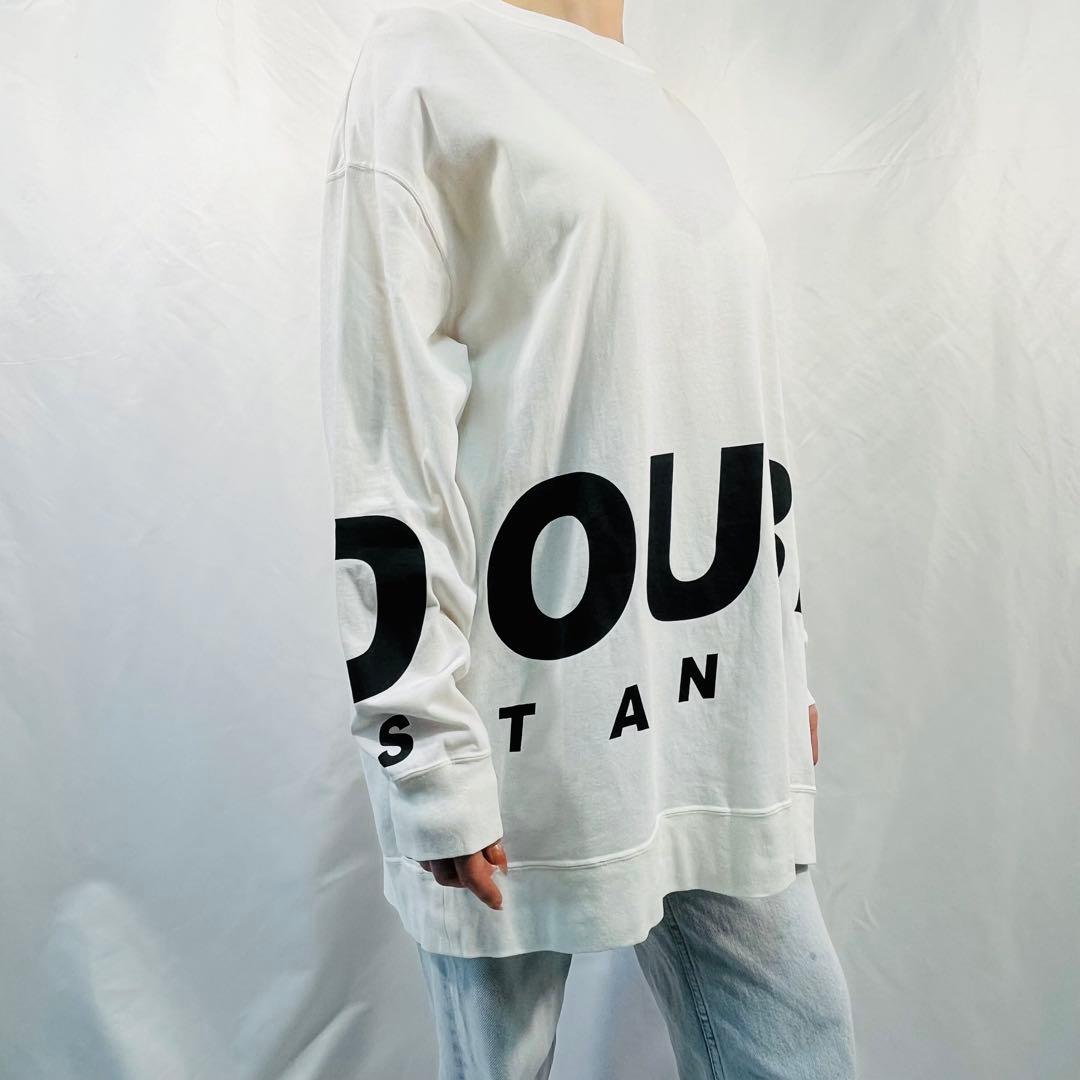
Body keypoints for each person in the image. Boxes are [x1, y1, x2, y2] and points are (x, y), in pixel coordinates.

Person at [319, 0, 857, 1076]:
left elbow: (741, 409)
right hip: (519, 718)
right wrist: (425, 750)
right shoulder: (425, 62)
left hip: (708, 704)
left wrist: (779, 656)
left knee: (803, 1040)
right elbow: (386, 442)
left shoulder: (662, 109)